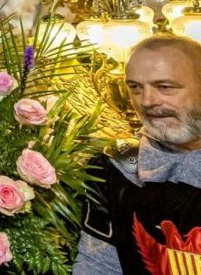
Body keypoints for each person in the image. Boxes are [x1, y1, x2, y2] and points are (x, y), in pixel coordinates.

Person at [74, 35, 201, 274]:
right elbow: (98, 264)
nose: (148, 101)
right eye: (135, 88)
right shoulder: (115, 168)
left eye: (164, 87)